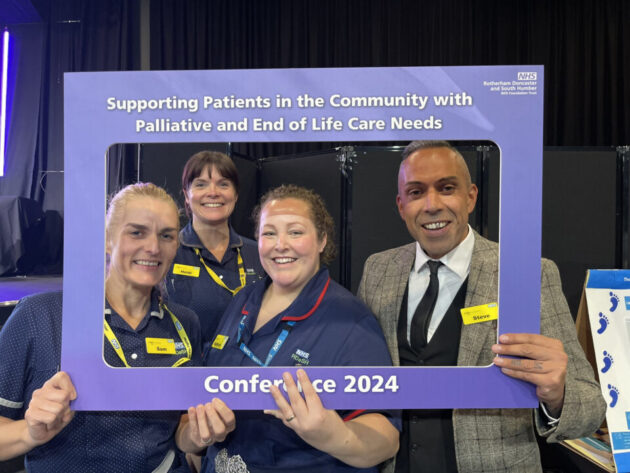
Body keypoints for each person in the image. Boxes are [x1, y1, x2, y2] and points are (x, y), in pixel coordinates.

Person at [357, 141, 606, 473]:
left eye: (447, 188)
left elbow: (590, 408)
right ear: (401, 206)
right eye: (416, 192)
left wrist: (557, 394)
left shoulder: (526, 272)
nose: (432, 205)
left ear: (470, 196)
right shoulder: (378, 270)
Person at [176, 185, 400, 473]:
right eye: (269, 233)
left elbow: (387, 438)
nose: (280, 244)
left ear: (322, 240)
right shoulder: (242, 301)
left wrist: (334, 436)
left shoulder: (349, 320)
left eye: (295, 232)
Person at [0, 182, 202, 472]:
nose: (153, 247)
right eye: (137, 232)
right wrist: (28, 433)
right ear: (108, 239)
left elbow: (180, 432)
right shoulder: (40, 316)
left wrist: (195, 436)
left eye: (166, 235)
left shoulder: (185, 323)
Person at [167, 151, 264, 349]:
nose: (213, 192)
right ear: (186, 195)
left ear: (235, 195)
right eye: (200, 184)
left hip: (246, 374)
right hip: (185, 370)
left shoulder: (260, 254)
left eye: (223, 184)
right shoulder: (166, 251)